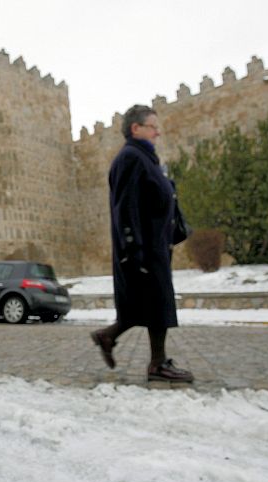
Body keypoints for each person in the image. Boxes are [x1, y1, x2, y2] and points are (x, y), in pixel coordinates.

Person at [90, 105, 194, 382]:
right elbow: (125, 208)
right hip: (143, 248)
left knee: (148, 303)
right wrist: (131, 250)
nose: (158, 132)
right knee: (156, 303)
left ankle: (108, 337)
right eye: (153, 127)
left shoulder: (146, 159)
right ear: (136, 129)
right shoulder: (131, 158)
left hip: (154, 245)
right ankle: (157, 364)